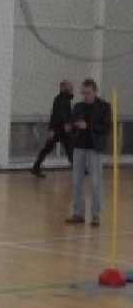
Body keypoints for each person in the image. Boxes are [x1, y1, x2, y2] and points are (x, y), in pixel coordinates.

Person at [65, 78, 110, 227]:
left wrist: (88, 126)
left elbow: (106, 127)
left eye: (88, 93)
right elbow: (72, 121)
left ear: (95, 92)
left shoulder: (104, 107)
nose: (86, 96)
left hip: (95, 149)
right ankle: (78, 213)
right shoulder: (78, 107)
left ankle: (96, 214)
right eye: (83, 93)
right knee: (76, 181)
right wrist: (71, 126)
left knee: (96, 182)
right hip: (78, 147)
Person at [32, 81, 74, 177]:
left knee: (68, 148)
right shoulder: (61, 99)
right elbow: (59, 114)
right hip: (59, 129)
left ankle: (36, 167)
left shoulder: (63, 99)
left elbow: (57, 114)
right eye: (70, 86)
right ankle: (36, 167)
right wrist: (66, 124)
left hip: (58, 129)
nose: (72, 88)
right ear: (64, 87)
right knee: (66, 148)